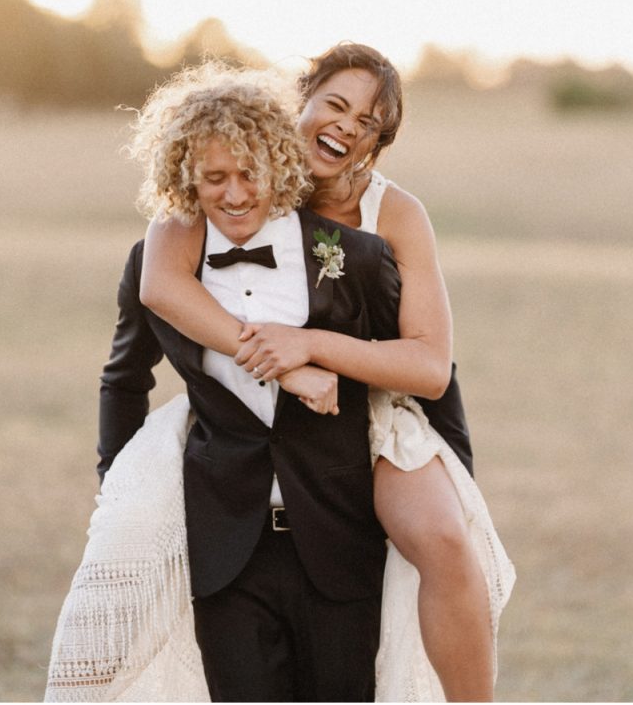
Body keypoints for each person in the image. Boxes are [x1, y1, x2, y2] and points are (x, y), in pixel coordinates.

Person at [136, 43, 510, 701]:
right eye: (335, 105)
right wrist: (270, 357)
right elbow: (160, 277)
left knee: (447, 542)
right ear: (300, 99)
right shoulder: (242, 170)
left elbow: (428, 365)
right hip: (261, 421)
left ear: (375, 146)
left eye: (368, 124)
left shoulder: (395, 213)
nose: (346, 126)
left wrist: (310, 347)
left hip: (374, 412)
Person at [47, 65, 403, 702]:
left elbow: (418, 372)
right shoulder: (156, 266)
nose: (235, 195)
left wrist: (454, 487)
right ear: (187, 178)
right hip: (225, 549)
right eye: (215, 178)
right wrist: (119, 494)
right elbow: (123, 380)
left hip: (339, 543)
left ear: (281, 168)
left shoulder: (353, 258)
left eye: (250, 175)